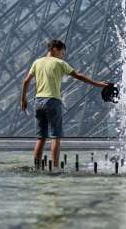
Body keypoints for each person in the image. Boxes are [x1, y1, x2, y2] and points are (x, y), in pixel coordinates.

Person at [20, 39, 109, 168]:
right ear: (55, 49)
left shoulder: (37, 62)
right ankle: (55, 167)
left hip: (37, 101)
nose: (63, 56)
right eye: (62, 53)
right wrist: (98, 84)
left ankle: (37, 166)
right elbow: (78, 76)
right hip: (52, 101)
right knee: (56, 137)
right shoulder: (60, 63)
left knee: (41, 138)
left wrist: (23, 99)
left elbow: (25, 81)